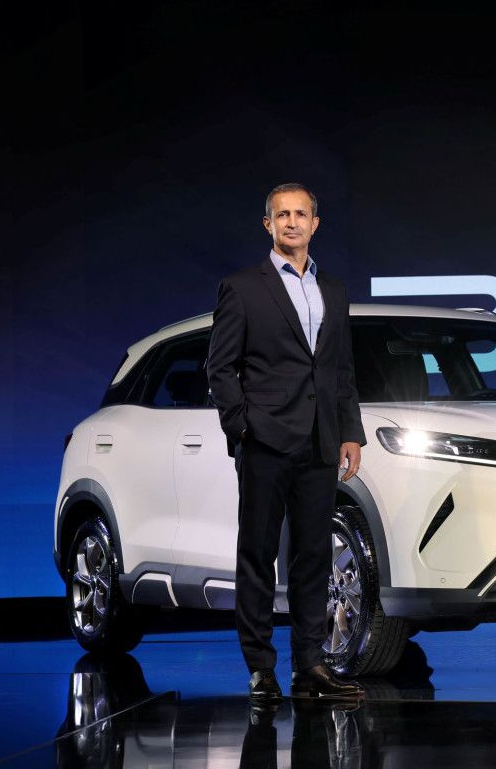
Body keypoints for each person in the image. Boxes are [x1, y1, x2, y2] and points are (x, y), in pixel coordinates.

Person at [206, 182, 366, 703]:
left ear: (315, 224)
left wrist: (350, 432)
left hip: (320, 442)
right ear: (268, 225)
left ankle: (310, 665)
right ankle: (260, 669)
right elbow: (220, 367)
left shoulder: (333, 289)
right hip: (265, 443)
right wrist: (242, 428)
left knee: (313, 555)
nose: (292, 222)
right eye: (282, 215)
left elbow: (340, 369)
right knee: (257, 555)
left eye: (300, 214)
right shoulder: (242, 287)